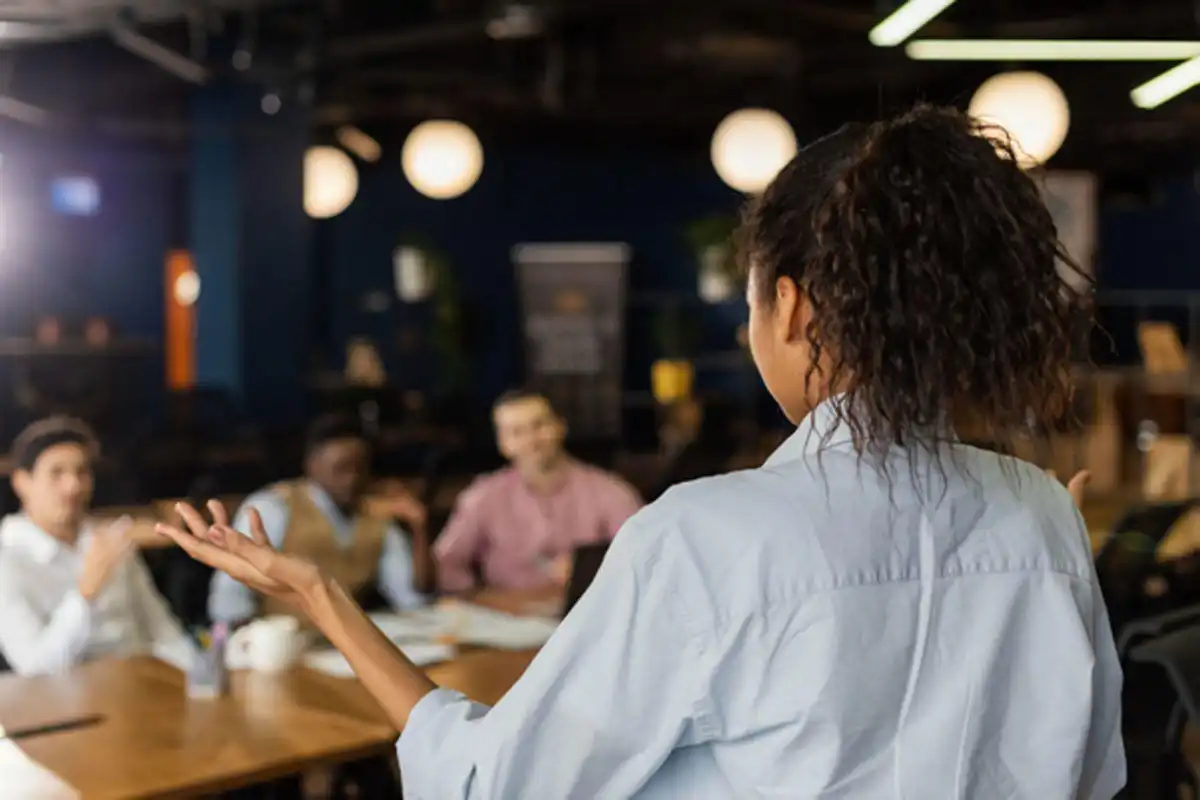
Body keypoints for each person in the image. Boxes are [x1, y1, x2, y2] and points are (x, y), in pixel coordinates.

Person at [159, 105, 1124, 798]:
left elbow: (491, 786)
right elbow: (1088, 770)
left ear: (792, 305)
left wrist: (324, 600)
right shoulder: (1042, 516)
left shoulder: (710, 539)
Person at [0, 417, 192, 675]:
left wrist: (199, 677)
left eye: (81, 471)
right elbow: (36, 669)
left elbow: (160, 627)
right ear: (21, 482)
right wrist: (85, 593)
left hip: (142, 688)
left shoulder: (109, 539)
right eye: (56, 473)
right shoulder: (8, 560)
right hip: (69, 704)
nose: (73, 486)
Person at [208, 413, 429, 624]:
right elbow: (230, 594)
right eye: (341, 469)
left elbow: (411, 597)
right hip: (286, 645)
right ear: (312, 464)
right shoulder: (273, 506)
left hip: (354, 645)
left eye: (359, 469)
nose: (352, 479)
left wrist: (419, 528)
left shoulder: (377, 515)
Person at [435, 389, 642, 593]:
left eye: (539, 426)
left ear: (561, 426)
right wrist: (479, 598)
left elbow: (645, 557)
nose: (532, 440)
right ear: (503, 443)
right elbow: (446, 562)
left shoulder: (611, 492)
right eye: (517, 432)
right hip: (505, 615)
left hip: (589, 613)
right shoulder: (483, 496)